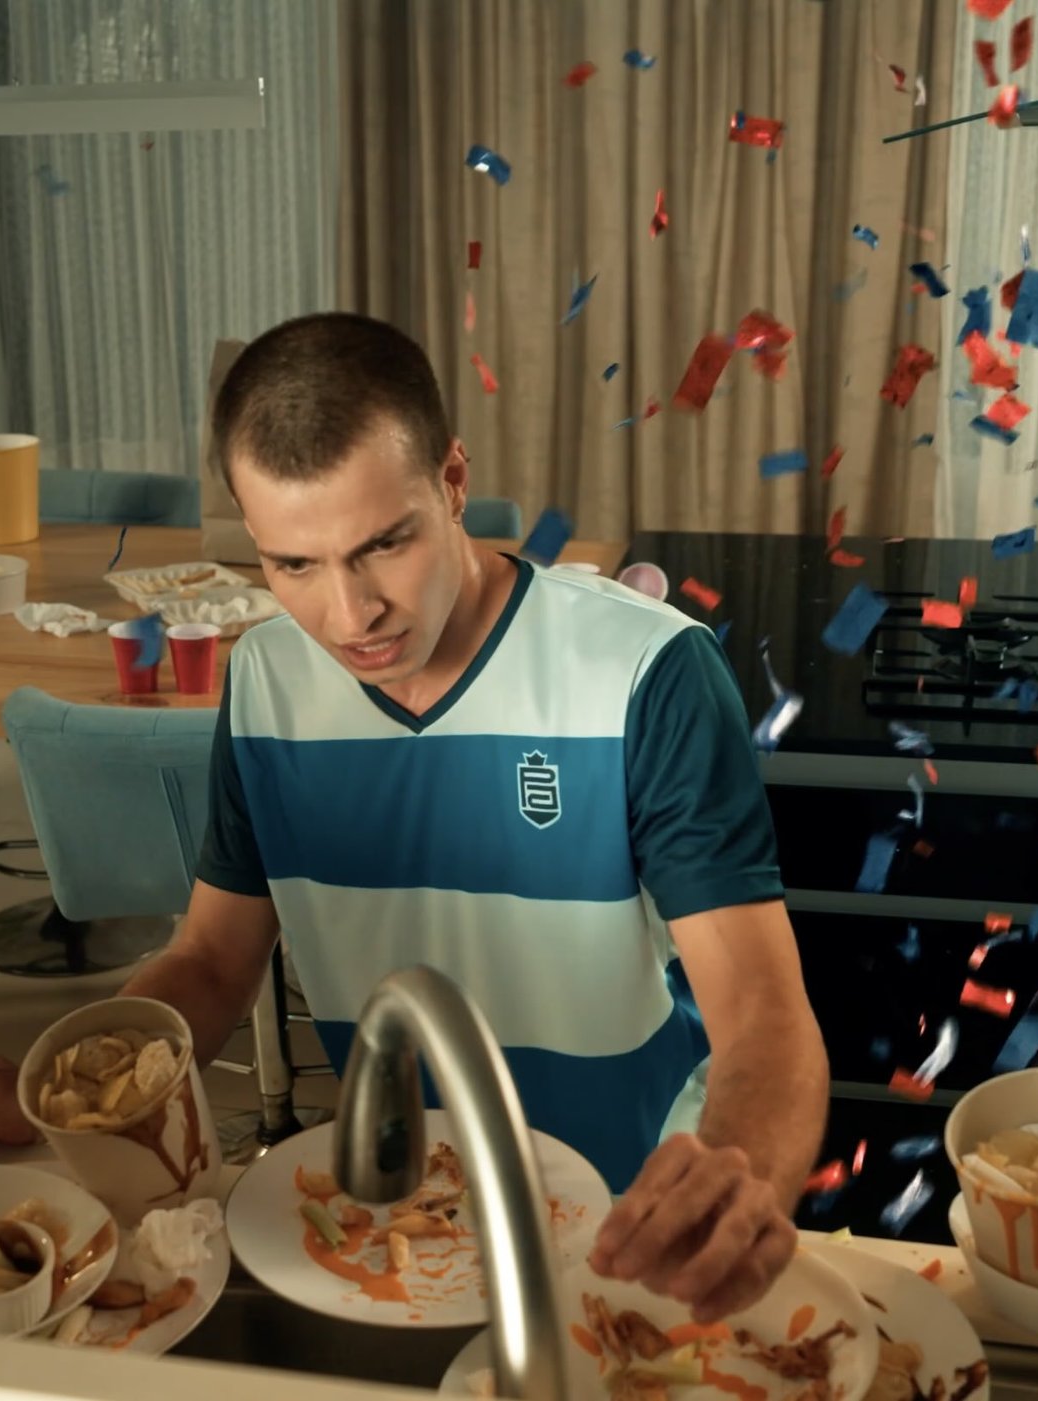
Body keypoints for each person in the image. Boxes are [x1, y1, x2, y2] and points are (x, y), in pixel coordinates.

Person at [98, 312, 824, 1322]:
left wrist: (737, 1171)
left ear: (451, 480)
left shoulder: (643, 671)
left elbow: (762, 1010)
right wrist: (89, 1078)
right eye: (294, 566)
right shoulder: (262, 677)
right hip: (397, 1215)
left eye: (382, 545)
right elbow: (216, 963)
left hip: (633, 1209)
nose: (350, 617)